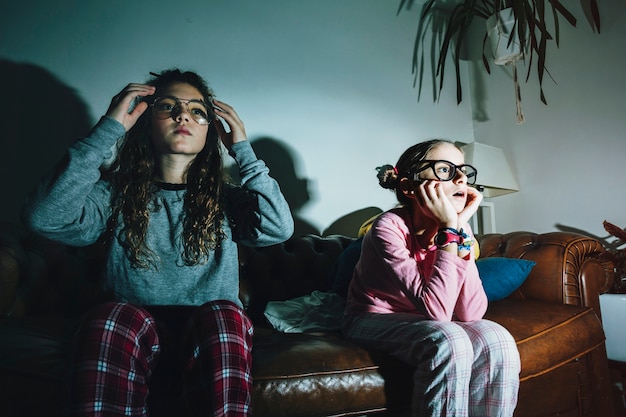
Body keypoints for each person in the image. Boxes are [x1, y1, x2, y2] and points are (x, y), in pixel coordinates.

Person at [22, 69, 294, 417]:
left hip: (208, 331)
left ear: (212, 130)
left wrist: (242, 150)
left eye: (198, 111)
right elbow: (43, 218)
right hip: (131, 329)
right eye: (167, 106)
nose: (183, 115)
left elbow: (278, 229)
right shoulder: (112, 194)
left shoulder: (229, 199)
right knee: (111, 316)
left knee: (225, 315)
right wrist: (109, 128)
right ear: (144, 122)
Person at [342, 139, 520, 417]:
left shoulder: (461, 230)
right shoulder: (387, 227)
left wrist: (459, 230)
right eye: (445, 170)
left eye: (462, 170)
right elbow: (437, 312)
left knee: (498, 337)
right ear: (409, 187)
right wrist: (450, 228)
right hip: (371, 317)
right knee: (449, 340)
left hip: (420, 317)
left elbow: (472, 312)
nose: (461, 178)